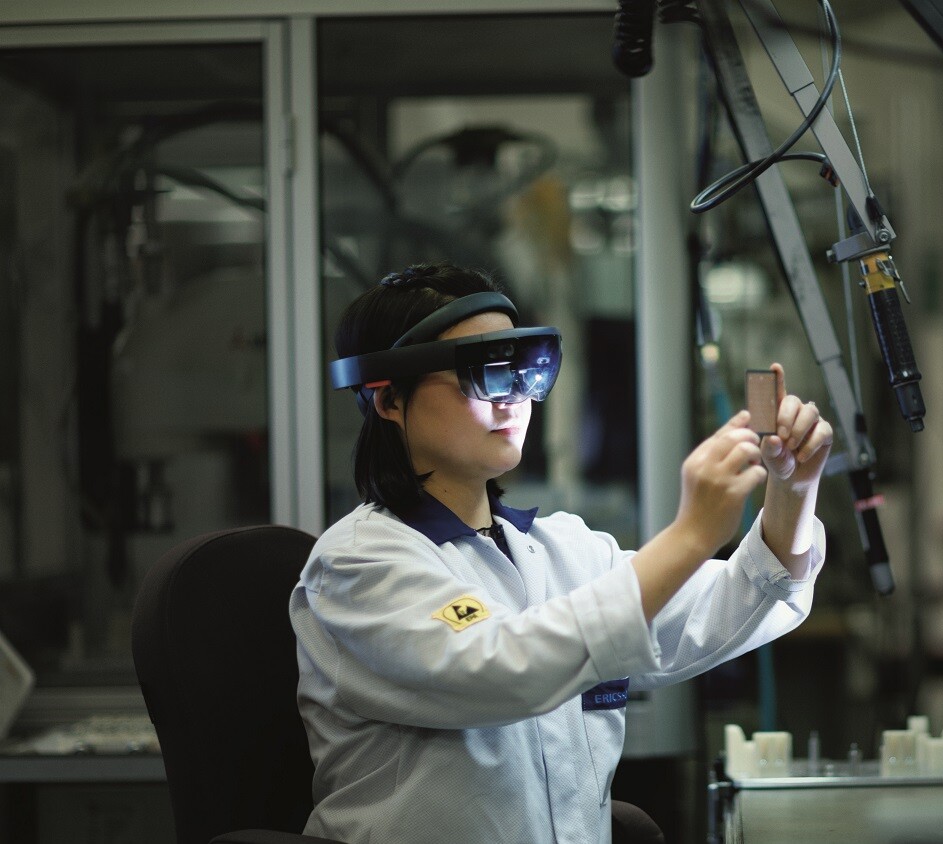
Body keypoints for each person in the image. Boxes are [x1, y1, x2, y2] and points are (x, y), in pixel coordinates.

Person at [289, 262, 831, 844]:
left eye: (524, 371)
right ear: (388, 398)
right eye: (485, 374)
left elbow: (724, 605)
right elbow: (501, 670)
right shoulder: (357, 564)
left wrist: (792, 490)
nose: (515, 399)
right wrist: (690, 534)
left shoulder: (561, 549)